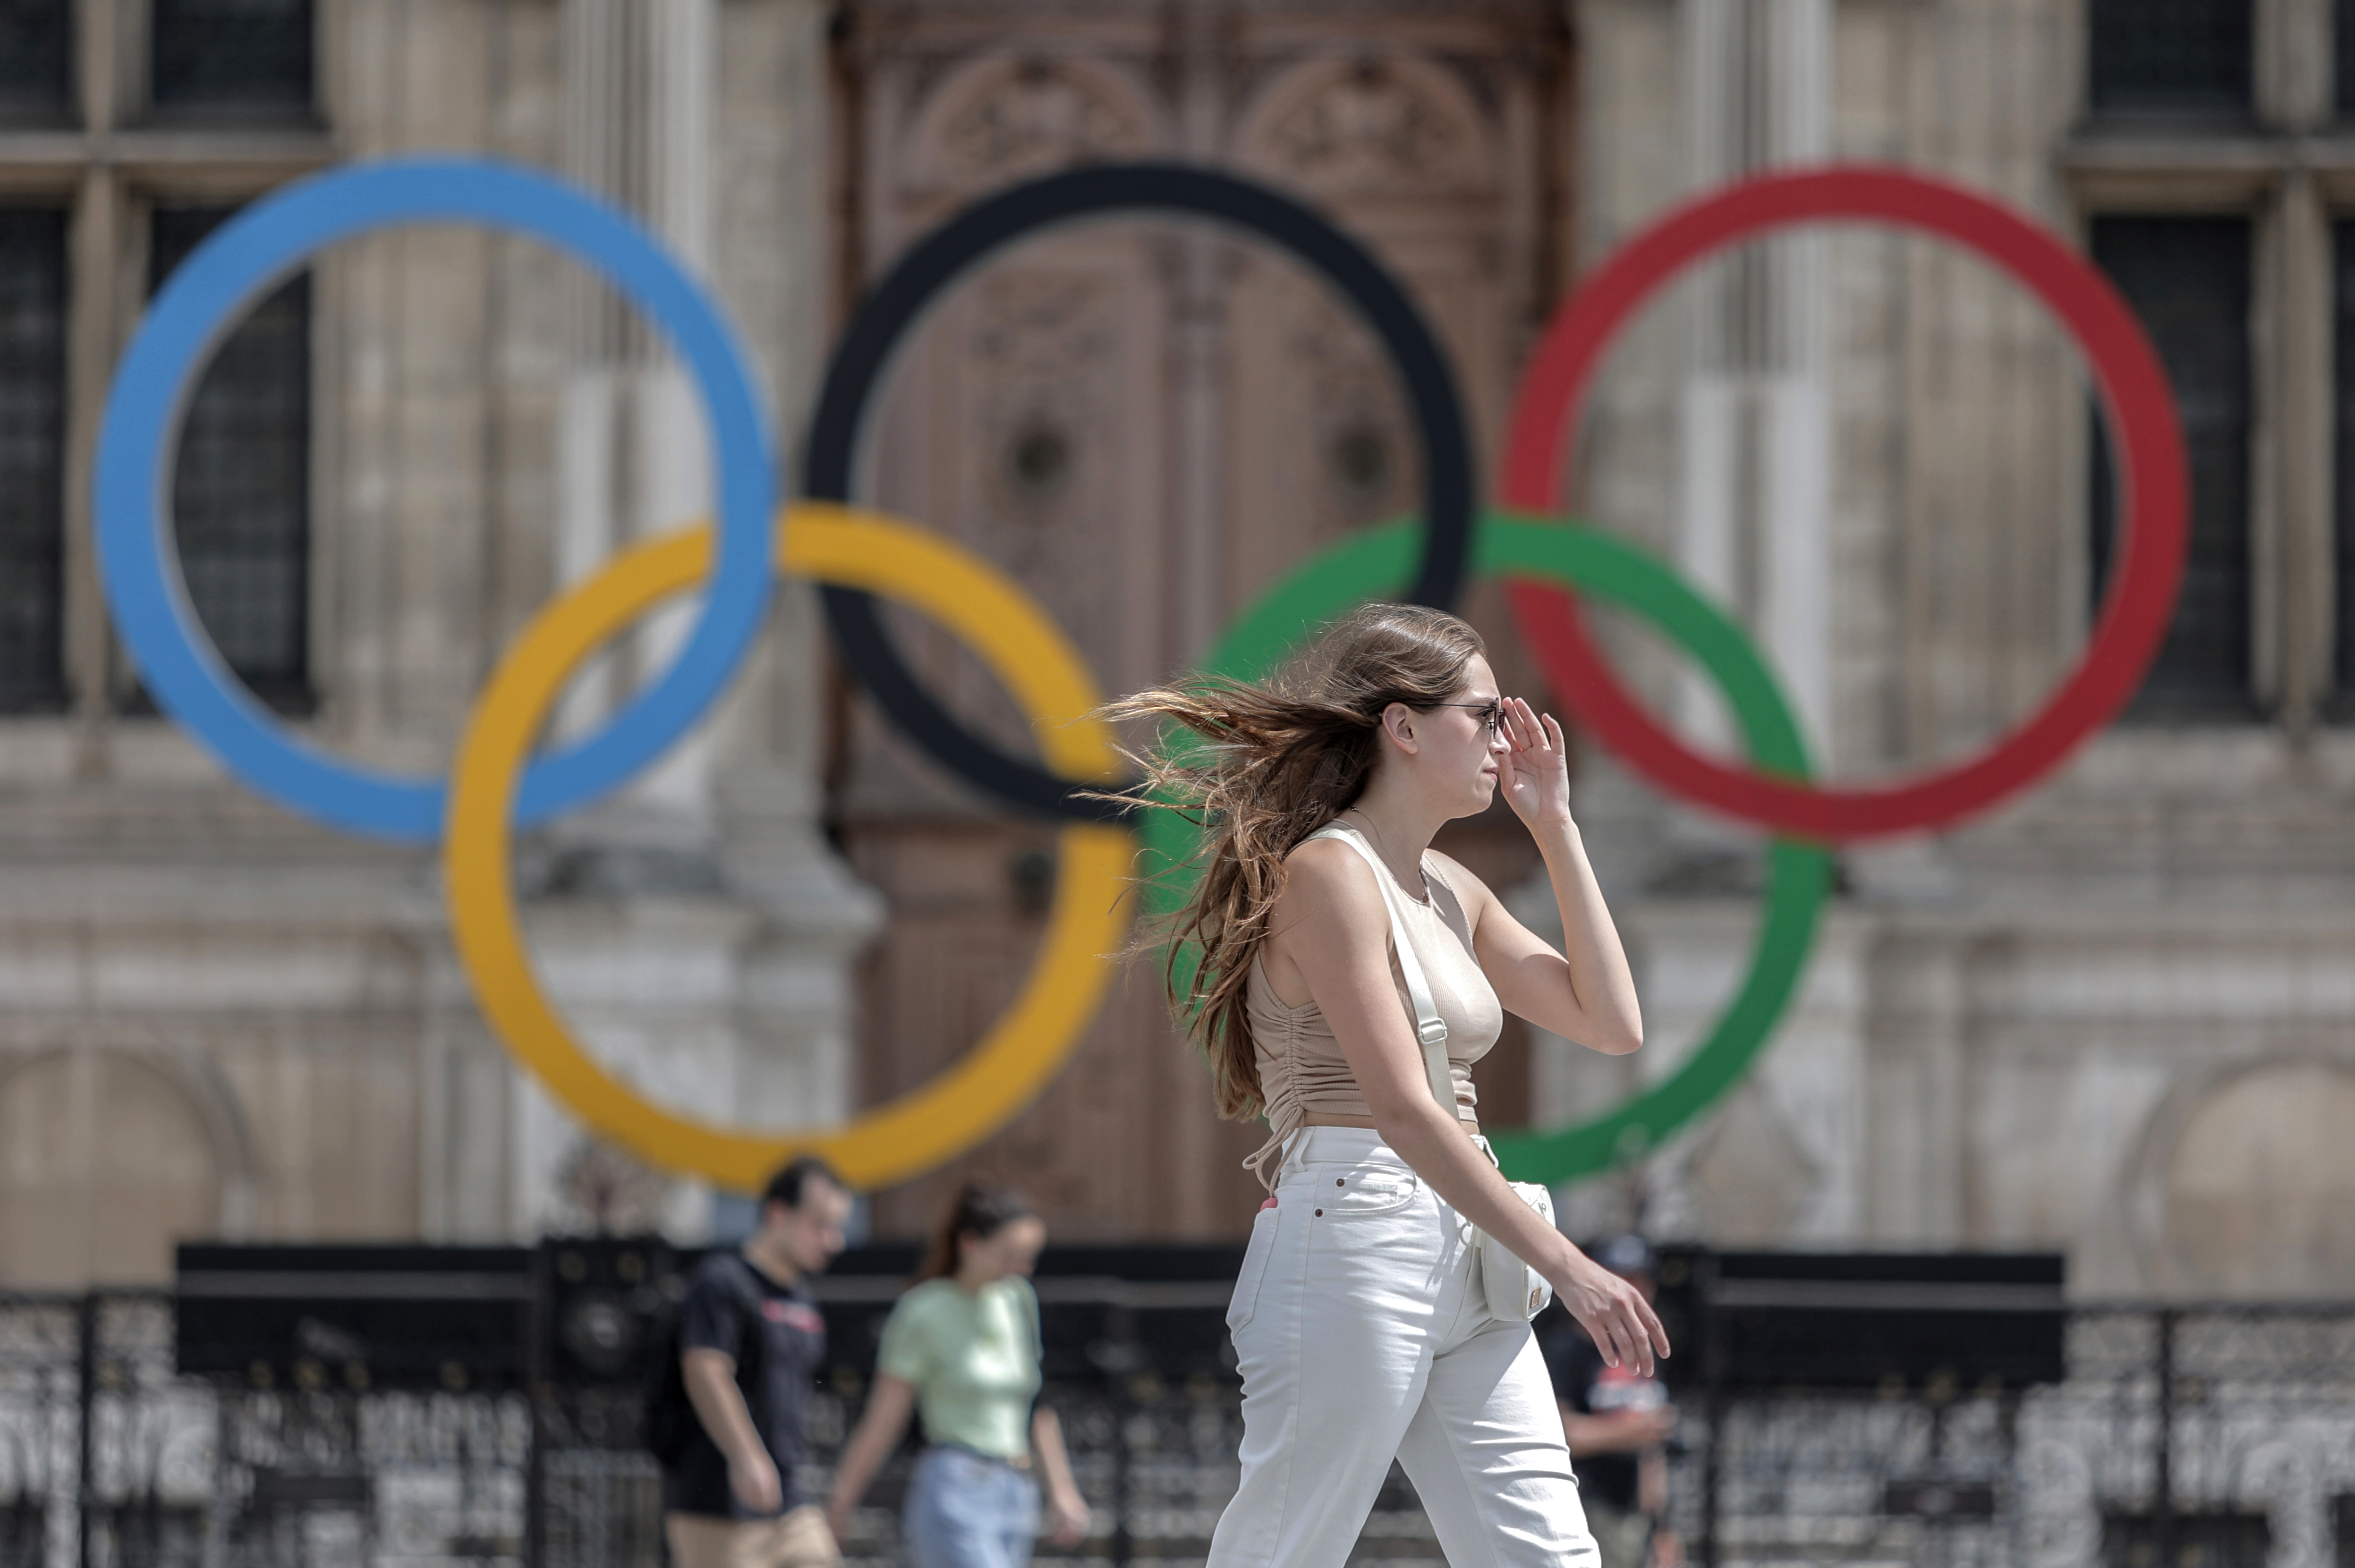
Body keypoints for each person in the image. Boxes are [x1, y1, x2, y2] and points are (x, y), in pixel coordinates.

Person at [1107, 603, 1670, 1567]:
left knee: (1550, 1556)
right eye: (1486, 714)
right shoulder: (1330, 873)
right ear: (1403, 726)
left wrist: (1558, 827)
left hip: (1468, 1244)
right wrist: (1569, 1264)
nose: (1508, 737)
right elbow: (1404, 1105)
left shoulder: (1449, 885)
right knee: (1285, 1548)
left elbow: (1613, 1024)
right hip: (1355, 1228)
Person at [824, 1183, 1090, 1568]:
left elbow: (1034, 1405)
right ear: (970, 1244)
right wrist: (841, 1501)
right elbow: (884, 1419)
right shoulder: (923, 1309)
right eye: (1009, 1255)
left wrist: (1062, 1491)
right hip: (956, 1486)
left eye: (1028, 1257)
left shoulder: (1017, 1300)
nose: (1021, 1268)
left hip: (1017, 1491)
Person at [662, 1155, 855, 1568]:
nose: (832, 1240)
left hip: (789, 1500)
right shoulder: (723, 1281)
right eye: (820, 1224)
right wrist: (746, 1455)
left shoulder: (800, 1297)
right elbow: (705, 1370)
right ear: (777, 1213)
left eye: (838, 1227)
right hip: (717, 1503)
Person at [1544, 1235, 1682, 1568]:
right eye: (1621, 1278)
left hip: (1634, 1509)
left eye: (1639, 1279)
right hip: (1582, 1504)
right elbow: (1557, 1436)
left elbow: (1652, 1448)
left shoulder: (1644, 1353)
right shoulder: (1567, 1352)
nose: (1632, 1291)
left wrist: (1662, 1528)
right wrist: (1630, 1432)